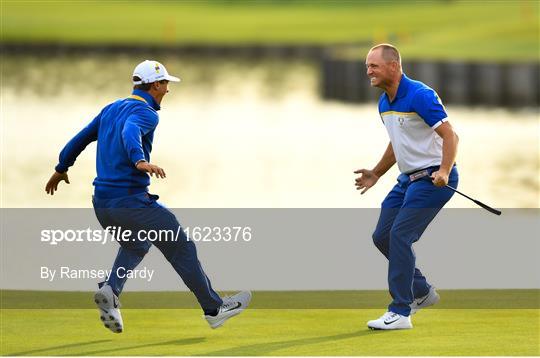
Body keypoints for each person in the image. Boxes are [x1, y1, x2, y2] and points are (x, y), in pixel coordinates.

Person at [45, 60, 251, 333]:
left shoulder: (109, 109)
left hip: (102, 204)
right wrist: (139, 160)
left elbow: (79, 138)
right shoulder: (147, 113)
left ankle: (111, 291)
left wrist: (61, 168)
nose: (167, 90)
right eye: (165, 84)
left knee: (136, 245)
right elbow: (130, 130)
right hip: (131, 202)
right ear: (155, 85)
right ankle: (214, 309)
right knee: (181, 246)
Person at [354, 44, 459, 330]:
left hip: (432, 180)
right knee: (382, 236)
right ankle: (422, 291)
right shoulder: (384, 103)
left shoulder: (420, 95)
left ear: (393, 66)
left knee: (400, 235)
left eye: (374, 66)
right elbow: (397, 143)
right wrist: (376, 172)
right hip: (407, 181)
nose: (368, 71)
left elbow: (451, 137)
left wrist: (445, 170)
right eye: (367, 66)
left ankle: (401, 311)